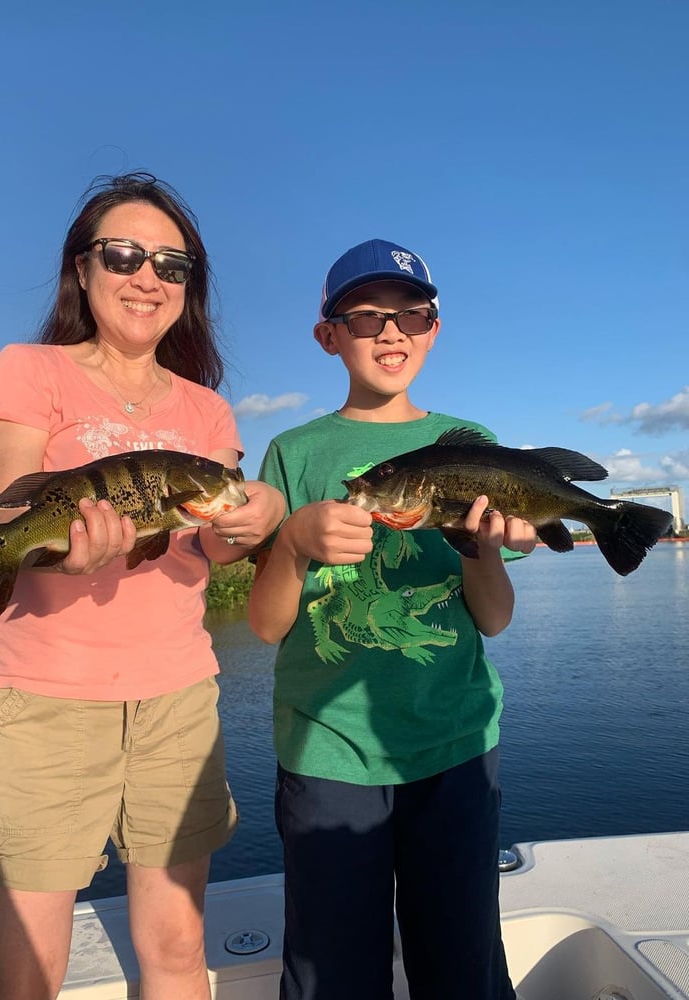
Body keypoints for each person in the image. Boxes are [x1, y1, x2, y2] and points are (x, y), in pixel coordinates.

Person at [0, 172, 285, 1000]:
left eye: (172, 265)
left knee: (178, 946)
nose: (147, 277)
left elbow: (215, 547)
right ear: (82, 268)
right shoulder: (25, 370)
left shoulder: (208, 412)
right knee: (27, 966)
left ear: (189, 289)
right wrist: (65, 551)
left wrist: (255, 519)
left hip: (177, 696)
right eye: (124, 254)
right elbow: (6, 505)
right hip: (39, 701)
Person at [248, 239, 538, 1000]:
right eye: (368, 317)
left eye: (412, 316)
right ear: (329, 335)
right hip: (328, 756)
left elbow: (496, 619)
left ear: (434, 330)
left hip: (457, 748)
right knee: (332, 973)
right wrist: (291, 544)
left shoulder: (469, 445)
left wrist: (480, 550)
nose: (391, 333)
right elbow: (266, 626)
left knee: (463, 962)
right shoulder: (294, 451)